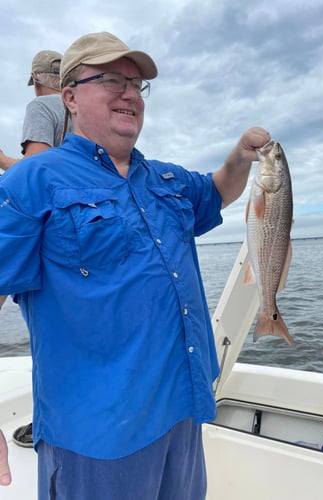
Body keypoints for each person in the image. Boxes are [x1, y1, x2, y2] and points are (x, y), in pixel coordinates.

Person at [0, 31, 270, 499]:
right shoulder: (31, 180)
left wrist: (241, 156)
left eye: (136, 83)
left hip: (182, 414)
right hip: (96, 436)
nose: (129, 92)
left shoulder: (166, 178)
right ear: (69, 97)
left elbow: (220, 189)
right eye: (110, 79)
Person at [0, 49, 72, 449]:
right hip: (78, 232)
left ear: (38, 78)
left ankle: (47, 427)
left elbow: (36, 171)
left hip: (43, 232)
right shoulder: (79, 115)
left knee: (45, 336)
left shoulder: (41, 105)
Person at [0, 49, 69, 171]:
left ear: (35, 79)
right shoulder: (80, 107)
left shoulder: (42, 105)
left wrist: (2, 159)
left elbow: (34, 166)